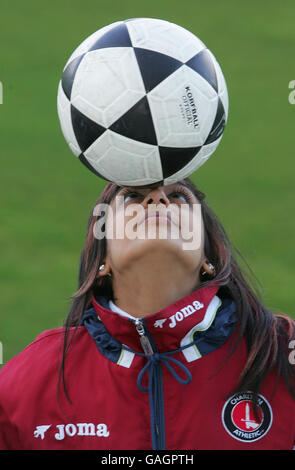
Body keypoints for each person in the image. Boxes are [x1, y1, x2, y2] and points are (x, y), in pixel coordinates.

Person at [0, 177, 294, 450]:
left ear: (207, 257)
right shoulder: (25, 384)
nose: (157, 200)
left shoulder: (284, 354)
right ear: (102, 259)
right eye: (131, 197)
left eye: (178, 195)